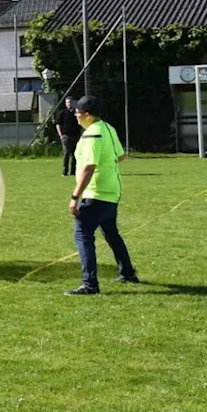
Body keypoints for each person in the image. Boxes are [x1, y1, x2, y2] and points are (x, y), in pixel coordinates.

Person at [65, 95, 139, 296]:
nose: (76, 116)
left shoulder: (91, 135)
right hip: (112, 191)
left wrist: (75, 196)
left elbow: (89, 167)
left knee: (82, 235)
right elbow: (120, 156)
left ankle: (90, 284)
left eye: (78, 113)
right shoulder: (108, 128)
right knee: (111, 233)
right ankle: (128, 272)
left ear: (88, 115)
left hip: (95, 193)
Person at [56, 96, 82, 176]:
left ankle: (73, 172)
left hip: (76, 136)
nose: (69, 104)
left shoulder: (77, 113)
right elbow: (58, 125)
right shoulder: (62, 113)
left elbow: (80, 124)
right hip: (66, 136)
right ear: (65, 104)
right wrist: (61, 135)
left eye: (70, 102)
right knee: (66, 153)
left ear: (72, 103)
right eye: (67, 102)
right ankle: (64, 172)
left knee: (75, 154)